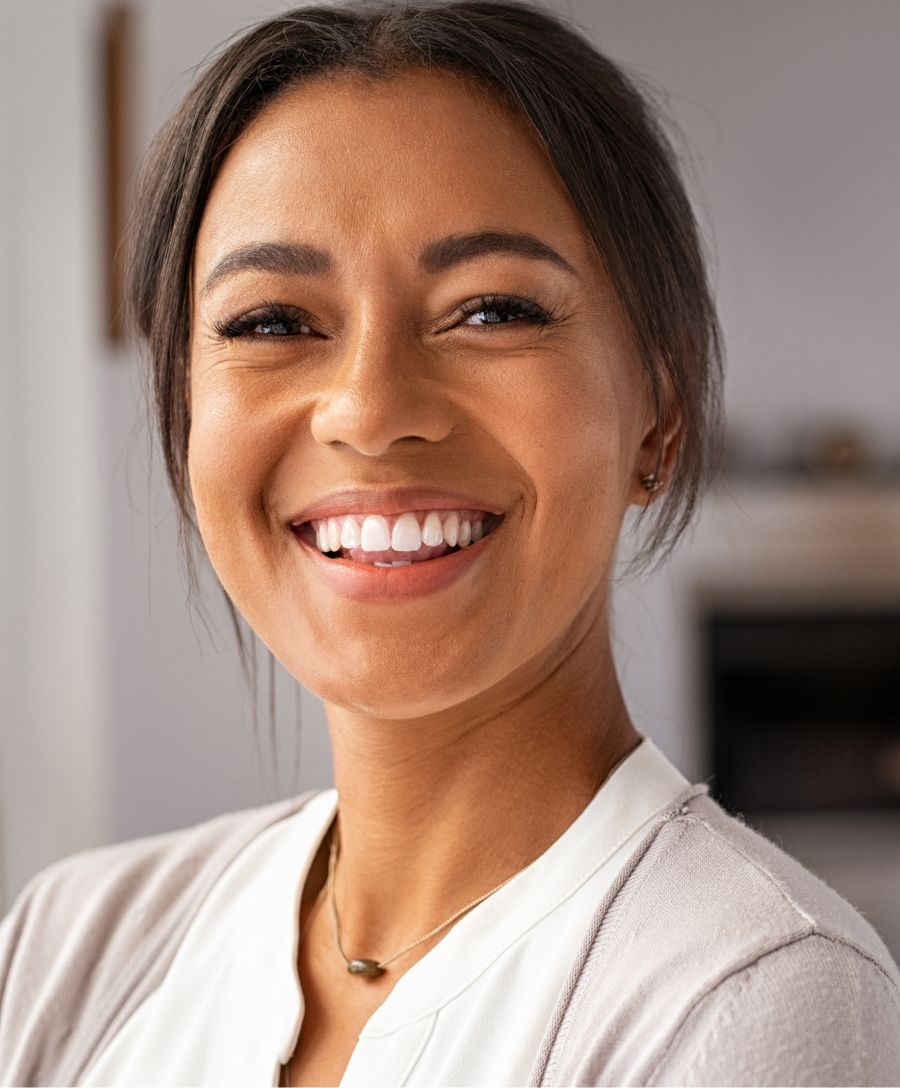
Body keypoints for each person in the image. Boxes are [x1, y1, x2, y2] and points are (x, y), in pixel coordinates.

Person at [2, 2, 899, 1085]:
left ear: (657, 413)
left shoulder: (749, 996)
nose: (371, 410)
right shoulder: (66, 952)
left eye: (491, 310)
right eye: (272, 322)